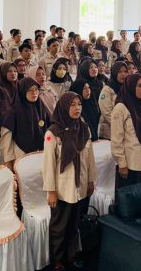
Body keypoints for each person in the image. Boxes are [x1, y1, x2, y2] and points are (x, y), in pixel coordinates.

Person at [43, 92, 96, 270]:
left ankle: (71, 257)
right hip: (62, 188)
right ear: (64, 107)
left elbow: (90, 157)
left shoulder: (84, 128)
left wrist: (90, 180)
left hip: (80, 184)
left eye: (79, 104)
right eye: (72, 105)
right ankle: (58, 260)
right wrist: (51, 191)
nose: (77, 108)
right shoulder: (53, 133)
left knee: (74, 224)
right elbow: (48, 164)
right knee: (59, 226)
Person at [111, 74, 141, 190]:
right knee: (130, 195)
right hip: (131, 163)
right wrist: (122, 164)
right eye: (139, 86)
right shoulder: (121, 108)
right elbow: (116, 139)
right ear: (131, 87)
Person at [0, 77, 50, 167]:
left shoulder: (41, 107)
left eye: (36, 89)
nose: (34, 93)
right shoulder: (12, 112)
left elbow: (49, 130)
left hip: (41, 154)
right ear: (22, 91)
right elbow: (6, 141)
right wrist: (8, 163)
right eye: (30, 90)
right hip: (21, 156)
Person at [98, 61, 128, 140]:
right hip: (109, 133)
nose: (123, 74)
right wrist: (121, 125)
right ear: (114, 73)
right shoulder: (107, 90)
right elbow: (107, 113)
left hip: (126, 132)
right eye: (119, 72)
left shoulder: (127, 88)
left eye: (125, 71)